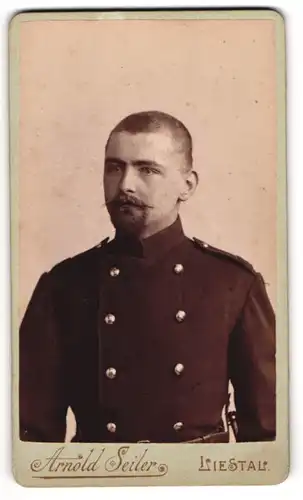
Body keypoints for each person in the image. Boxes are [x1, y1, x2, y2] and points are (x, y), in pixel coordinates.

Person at [19, 110, 276, 443]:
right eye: (114, 167)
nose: (125, 184)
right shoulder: (63, 285)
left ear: (187, 185)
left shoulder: (233, 283)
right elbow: (31, 437)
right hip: (99, 483)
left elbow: (267, 435)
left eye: (147, 169)